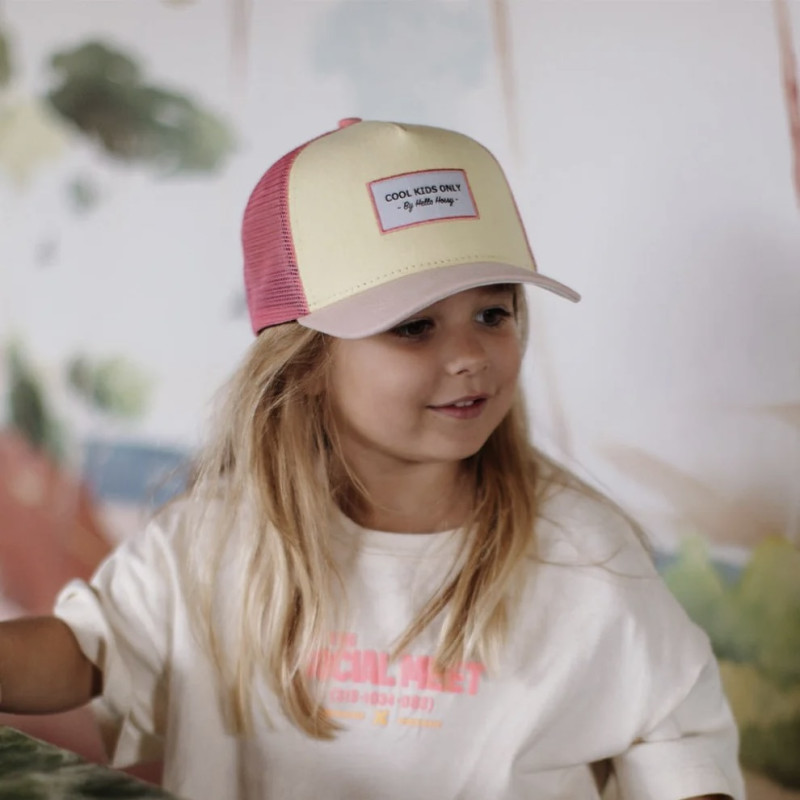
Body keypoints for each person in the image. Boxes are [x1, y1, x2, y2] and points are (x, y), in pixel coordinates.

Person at [0, 119, 744, 800]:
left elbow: (679, 747)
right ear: (303, 360)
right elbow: (86, 649)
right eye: (414, 327)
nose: (469, 357)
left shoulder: (583, 557)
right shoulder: (217, 536)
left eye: (493, 312)